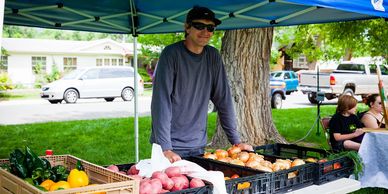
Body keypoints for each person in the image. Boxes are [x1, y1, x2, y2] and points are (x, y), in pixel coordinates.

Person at [150, 6, 253, 163]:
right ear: (187, 27)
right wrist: (165, 148)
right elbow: (161, 103)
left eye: (210, 27)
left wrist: (236, 141)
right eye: (199, 26)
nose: (205, 32)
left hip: (198, 145)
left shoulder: (213, 56)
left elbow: (223, 99)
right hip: (171, 147)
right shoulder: (171, 54)